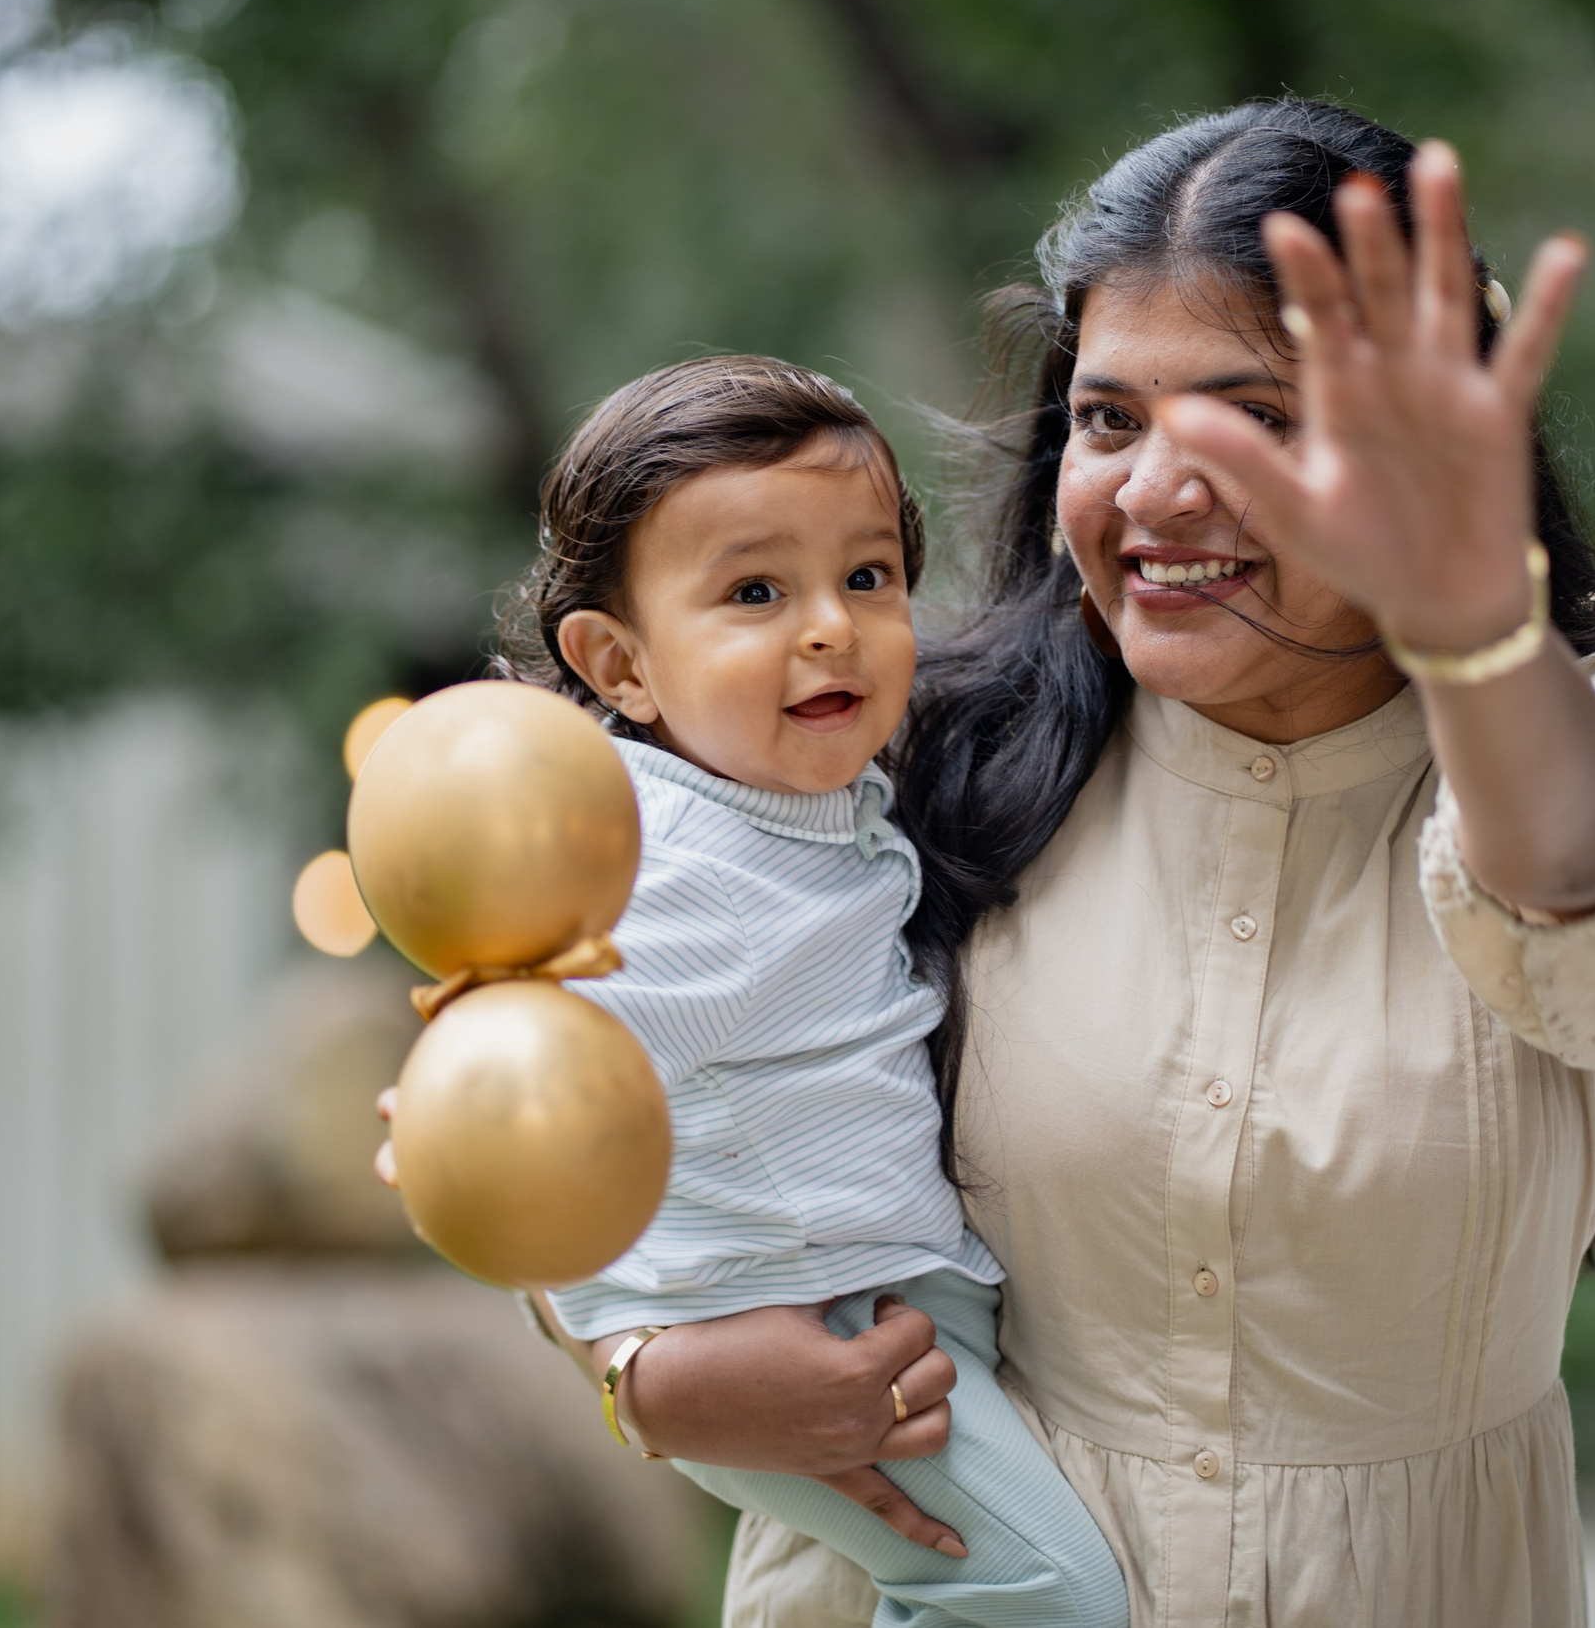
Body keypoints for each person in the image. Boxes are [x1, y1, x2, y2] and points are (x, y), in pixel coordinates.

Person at [440, 99, 1595, 1628]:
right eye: (1109, 418)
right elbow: (578, 1094)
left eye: (1256, 418)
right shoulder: (898, 758)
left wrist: (1471, 624)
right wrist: (643, 1371)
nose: (1155, 491)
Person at [438, 354, 1132, 1628]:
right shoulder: (670, 869)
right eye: (755, 590)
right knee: (1054, 1600)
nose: (829, 624)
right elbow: (541, 1117)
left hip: (871, 1297)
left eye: (866, 577)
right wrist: (644, 1358)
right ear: (621, 666)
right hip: (795, 1330)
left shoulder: (808, 805)